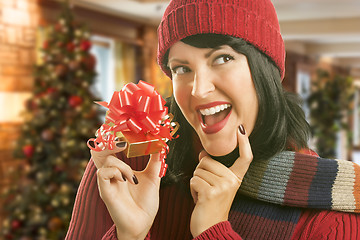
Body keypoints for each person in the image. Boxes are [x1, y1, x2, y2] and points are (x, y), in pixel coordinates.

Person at [65, 0, 360, 239]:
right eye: (182, 68)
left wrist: (212, 231)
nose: (199, 89)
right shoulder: (125, 166)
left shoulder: (329, 215)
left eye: (222, 58)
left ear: (264, 72)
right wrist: (130, 235)